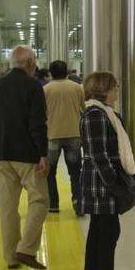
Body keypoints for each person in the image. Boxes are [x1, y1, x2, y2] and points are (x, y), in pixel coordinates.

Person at [0, 45, 50, 270]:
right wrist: (42, 153)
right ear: (29, 63)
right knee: (39, 200)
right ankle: (26, 248)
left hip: (2, 155)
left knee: (8, 207)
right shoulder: (33, 86)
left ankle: (10, 257)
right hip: (28, 155)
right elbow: (37, 123)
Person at [80, 71, 133, 270]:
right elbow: (98, 154)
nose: (116, 90)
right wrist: (114, 183)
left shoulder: (104, 113)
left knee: (99, 227)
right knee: (110, 230)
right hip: (101, 181)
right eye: (114, 86)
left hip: (101, 179)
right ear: (103, 89)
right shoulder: (95, 115)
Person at [44, 60, 85, 214]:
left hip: (52, 136)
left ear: (51, 73)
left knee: (50, 172)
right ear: (67, 71)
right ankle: (78, 202)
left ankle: (53, 204)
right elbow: (84, 109)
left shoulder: (45, 90)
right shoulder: (77, 88)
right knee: (75, 171)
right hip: (73, 134)